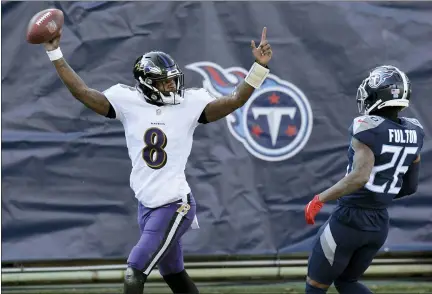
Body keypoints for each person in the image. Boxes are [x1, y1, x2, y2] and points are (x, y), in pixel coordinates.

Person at [41, 27, 272, 294]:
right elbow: (81, 91)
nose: (173, 85)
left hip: (175, 204)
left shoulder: (190, 103)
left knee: (134, 271)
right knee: (174, 274)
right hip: (146, 204)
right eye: (165, 81)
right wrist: (54, 51)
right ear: (147, 83)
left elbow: (234, 100)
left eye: (173, 79)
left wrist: (258, 67)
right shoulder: (127, 101)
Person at [304, 65, 424, 294]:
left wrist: (319, 198)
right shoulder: (415, 131)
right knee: (347, 282)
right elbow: (410, 186)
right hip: (379, 224)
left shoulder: (367, 127)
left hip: (349, 220)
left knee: (315, 286)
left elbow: (359, 177)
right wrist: (379, 196)